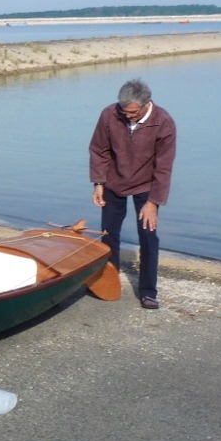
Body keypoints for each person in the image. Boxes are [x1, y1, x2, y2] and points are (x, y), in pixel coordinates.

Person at [89, 78, 177, 310]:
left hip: (146, 187)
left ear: (147, 104)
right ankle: (108, 279)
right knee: (108, 234)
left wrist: (154, 202)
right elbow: (99, 149)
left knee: (148, 237)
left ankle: (148, 291)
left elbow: (164, 166)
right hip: (113, 181)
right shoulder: (110, 114)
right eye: (124, 111)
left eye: (132, 112)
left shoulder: (164, 122)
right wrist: (98, 182)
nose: (127, 116)